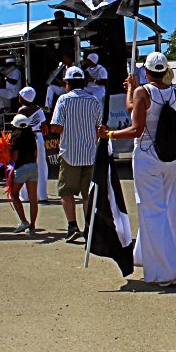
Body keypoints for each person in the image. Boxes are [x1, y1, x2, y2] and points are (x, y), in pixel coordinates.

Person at [99, 52, 176, 287]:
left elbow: (136, 128)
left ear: (146, 72)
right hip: (169, 158)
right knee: (160, 209)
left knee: (152, 212)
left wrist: (109, 134)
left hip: (147, 156)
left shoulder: (144, 93)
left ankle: (169, 270)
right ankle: (146, 257)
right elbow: (132, 107)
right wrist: (132, 88)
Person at [50, 66, 102, 243]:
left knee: (66, 191)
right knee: (88, 194)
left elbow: (56, 126)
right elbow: (99, 127)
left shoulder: (63, 100)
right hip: (90, 153)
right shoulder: (94, 101)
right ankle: (89, 227)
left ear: (67, 84)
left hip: (69, 152)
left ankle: (72, 225)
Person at [6, 114, 39, 234]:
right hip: (33, 168)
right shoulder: (32, 136)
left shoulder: (15, 139)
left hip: (21, 168)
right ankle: (33, 226)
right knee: (33, 199)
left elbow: (15, 157)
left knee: (14, 195)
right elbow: (36, 154)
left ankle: (24, 221)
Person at [16, 87, 49, 205]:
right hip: (38, 137)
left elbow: (17, 126)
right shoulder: (39, 109)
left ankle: (25, 195)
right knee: (41, 165)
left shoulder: (21, 110)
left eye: (20, 95)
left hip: (27, 139)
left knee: (26, 164)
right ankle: (42, 195)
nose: (18, 97)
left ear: (24, 97)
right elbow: (45, 127)